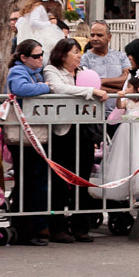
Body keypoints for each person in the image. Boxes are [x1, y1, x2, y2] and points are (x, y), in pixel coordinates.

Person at [42, 37, 109, 241]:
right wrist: (90, 91)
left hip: (85, 131)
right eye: (75, 52)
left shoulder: (83, 72)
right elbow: (59, 89)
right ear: (63, 54)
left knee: (83, 179)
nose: (79, 56)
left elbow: (93, 87)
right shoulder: (52, 70)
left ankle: (81, 225)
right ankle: (57, 227)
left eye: (80, 52)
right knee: (61, 180)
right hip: (63, 132)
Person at [6, 39, 55, 244]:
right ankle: (25, 229)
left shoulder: (37, 72)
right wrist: (45, 87)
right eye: (36, 55)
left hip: (36, 133)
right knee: (27, 182)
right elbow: (21, 89)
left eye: (42, 54)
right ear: (24, 57)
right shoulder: (18, 72)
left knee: (37, 182)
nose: (40, 58)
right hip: (22, 137)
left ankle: (36, 225)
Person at [98, 63, 139, 214]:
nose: (127, 89)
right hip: (126, 130)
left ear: (138, 89)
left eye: (129, 87)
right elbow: (120, 106)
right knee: (128, 160)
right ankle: (132, 198)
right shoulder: (128, 100)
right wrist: (121, 96)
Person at [80, 20, 131, 94]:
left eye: (99, 35)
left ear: (109, 37)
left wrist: (101, 81)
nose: (95, 38)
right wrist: (118, 89)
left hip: (118, 104)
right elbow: (88, 86)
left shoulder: (121, 57)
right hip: (95, 104)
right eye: (92, 35)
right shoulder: (84, 59)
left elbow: (127, 81)